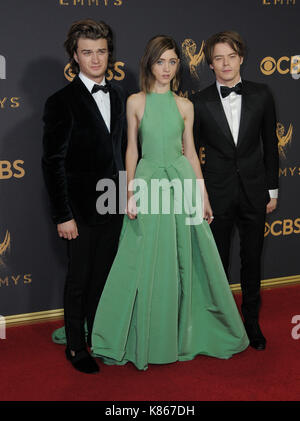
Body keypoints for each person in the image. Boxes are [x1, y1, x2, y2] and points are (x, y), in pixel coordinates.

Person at [90, 35, 249, 371]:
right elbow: (131, 149)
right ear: (149, 63)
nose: (166, 68)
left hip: (180, 181)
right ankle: (140, 334)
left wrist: (202, 195)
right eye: (160, 61)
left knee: (187, 257)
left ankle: (185, 333)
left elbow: (190, 152)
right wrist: (128, 191)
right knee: (142, 256)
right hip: (148, 180)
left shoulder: (185, 105)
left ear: (179, 66)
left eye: (172, 61)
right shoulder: (135, 101)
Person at [42, 19, 126, 374]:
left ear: (109, 54)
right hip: (79, 209)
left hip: (114, 203)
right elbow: (52, 163)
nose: (95, 59)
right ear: (74, 56)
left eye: (101, 52)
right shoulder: (61, 101)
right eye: (87, 52)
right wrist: (63, 215)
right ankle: (76, 346)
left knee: (103, 277)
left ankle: (97, 337)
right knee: (79, 279)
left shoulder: (119, 95)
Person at [192, 31, 279, 351]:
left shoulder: (262, 94)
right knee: (216, 262)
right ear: (210, 64)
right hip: (216, 194)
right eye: (218, 58)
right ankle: (217, 321)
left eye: (231, 56)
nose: (225, 63)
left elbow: (271, 146)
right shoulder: (199, 101)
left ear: (241, 58)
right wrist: (199, 196)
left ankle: (251, 322)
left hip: (255, 192)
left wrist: (272, 191)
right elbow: (191, 153)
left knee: (252, 259)